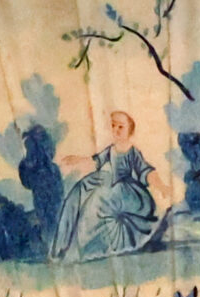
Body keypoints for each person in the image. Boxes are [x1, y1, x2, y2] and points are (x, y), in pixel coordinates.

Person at [51, 110, 162, 259]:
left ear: (130, 129)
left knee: (96, 201)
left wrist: (161, 186)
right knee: (79, 190)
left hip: (127, 190)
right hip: (111, 183)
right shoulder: (112, 149)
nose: (116, 130)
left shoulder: (133, 151)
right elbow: (96, 160)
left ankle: (85, 249)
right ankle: (63, 244)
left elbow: (145, 170)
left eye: (120, 127)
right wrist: (78, 160)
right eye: (113, 125)